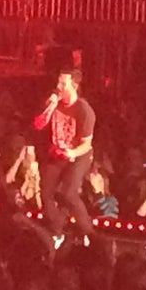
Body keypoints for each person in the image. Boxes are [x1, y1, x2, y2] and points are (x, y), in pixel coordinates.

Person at [33, 68, 98, 248]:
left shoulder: (85, 111)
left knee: (68, 193)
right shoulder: (53, 103)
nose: (58, 87)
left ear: (74, 86)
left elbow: (86, 144)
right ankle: (57, 231)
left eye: (63, 84)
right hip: (58, 153)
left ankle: (89, 234)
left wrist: (72, 153)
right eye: (58, 82)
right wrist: (50, 108)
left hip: (79, 154)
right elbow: (38, 125)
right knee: (45, 192)